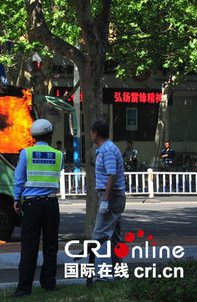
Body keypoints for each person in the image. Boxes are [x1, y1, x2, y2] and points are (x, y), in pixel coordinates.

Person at [9, 119, 63, 298]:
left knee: (29, 246)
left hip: (32, 204)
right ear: (50, 135)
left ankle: (24, 287)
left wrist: (17, 198)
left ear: (33, 136)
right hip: (51, 204)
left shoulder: (26, 153)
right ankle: (49, 284)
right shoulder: (58, 155)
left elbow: (19, 179)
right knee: (50, 245)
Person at [90, 119, 126, 281]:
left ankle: (102, 276)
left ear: (96, 133)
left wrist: (105, 199)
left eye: (91, 132)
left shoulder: (108, 150)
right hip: (113, 196)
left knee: (100, 234)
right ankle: (118, 273)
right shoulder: (105, 149)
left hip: (111, 196)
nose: (89, 134)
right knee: (115, 236)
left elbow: (112, 175)